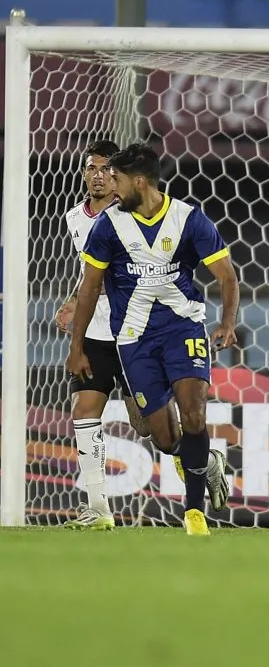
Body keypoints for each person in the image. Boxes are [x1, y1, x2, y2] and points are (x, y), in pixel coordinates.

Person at [66, 143, 238, 536]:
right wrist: (76, 348)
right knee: (159, 436)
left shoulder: (188, 220)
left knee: (194, 412)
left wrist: (227, 323)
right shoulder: (107, 227)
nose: (110, 184)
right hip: (131, 338)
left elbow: (227, 276)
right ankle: (202, 462)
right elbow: (90, 288)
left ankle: (194, 513)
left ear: (138, 182)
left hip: (183, 328)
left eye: (116, 178)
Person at [55, 140, 149, 530]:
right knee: (84, 410)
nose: (97, 175)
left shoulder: (136, 214)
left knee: (147, 425)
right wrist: (75, 299)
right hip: (94, 331)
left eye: (105, 169)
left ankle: (201, 458)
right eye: (90, 168)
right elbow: (91, 272)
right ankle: (98, 508)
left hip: (133, 329)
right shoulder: (74, 217)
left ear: (117, 175)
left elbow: (137, 271)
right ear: (84, 173)